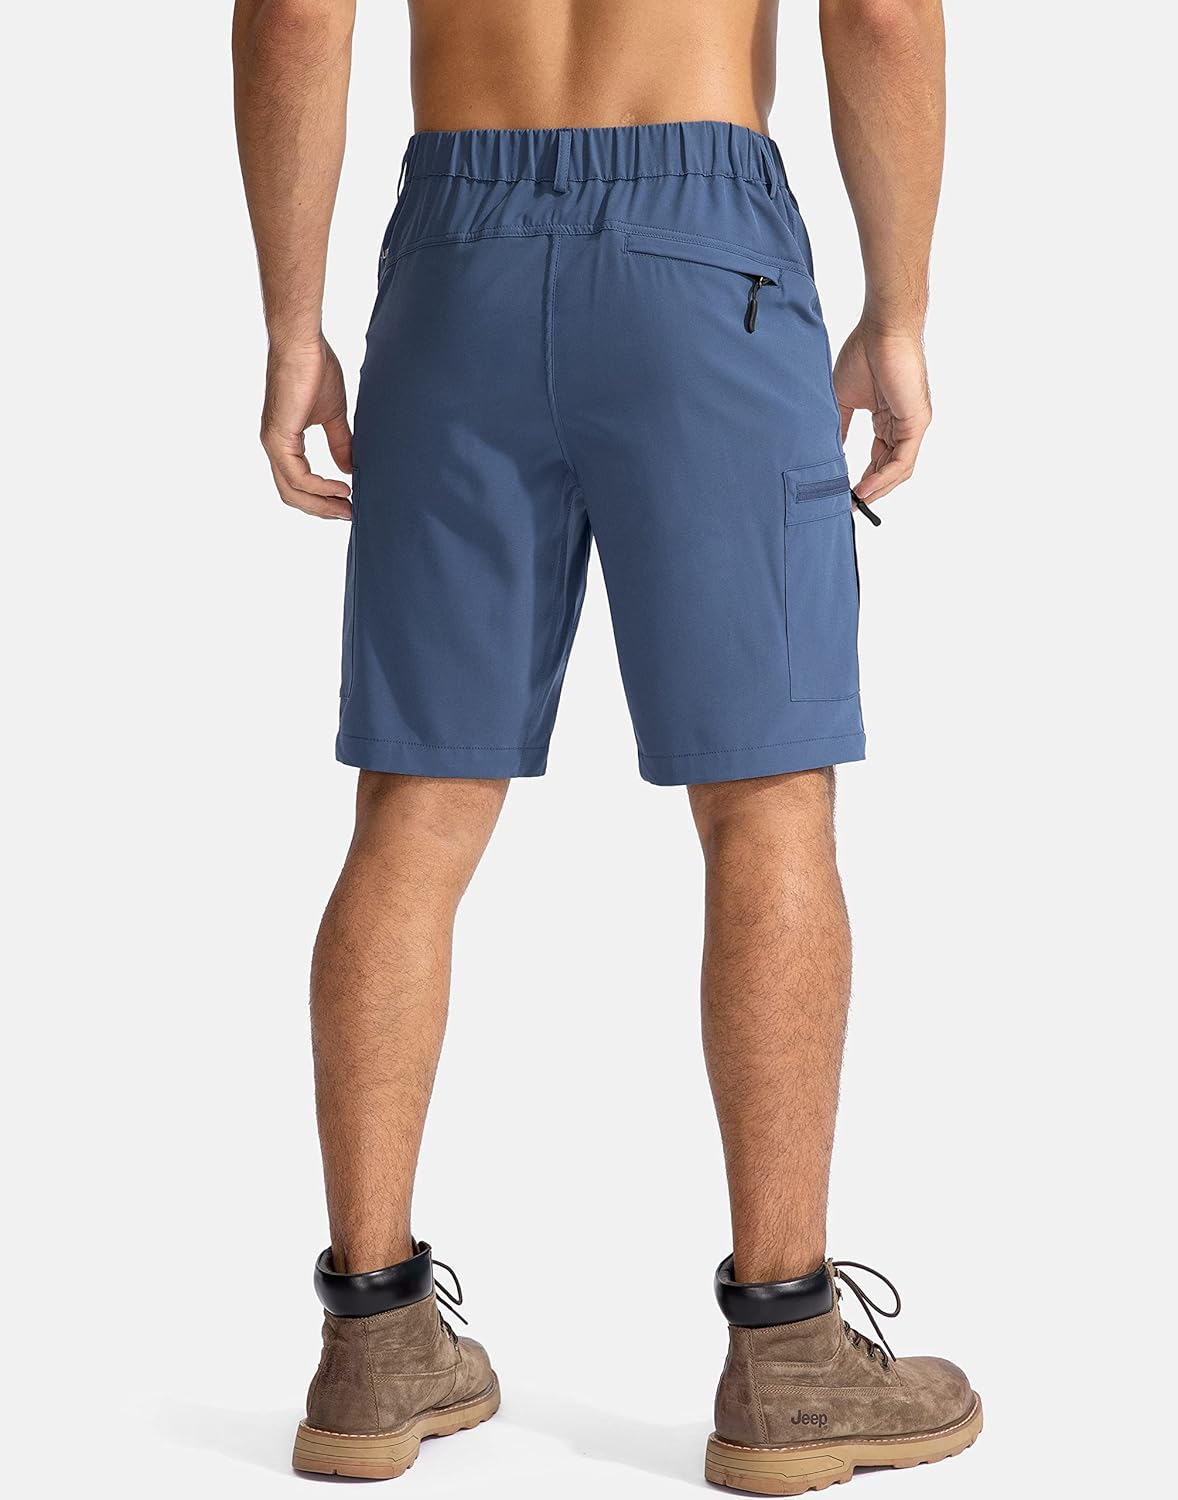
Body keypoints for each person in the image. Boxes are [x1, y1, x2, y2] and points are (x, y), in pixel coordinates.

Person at [232, 1, 980, 1491]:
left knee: (414, 806)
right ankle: (786, 1356)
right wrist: (897, 313)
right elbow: (883, 13)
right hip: (703, 251)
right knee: (764, 802)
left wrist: (291, 324)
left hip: (458, 241)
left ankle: (370, 1340)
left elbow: (295, 10)